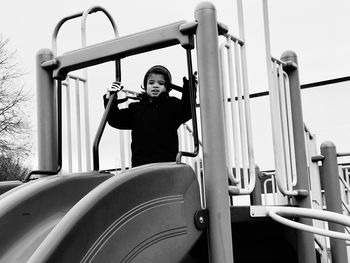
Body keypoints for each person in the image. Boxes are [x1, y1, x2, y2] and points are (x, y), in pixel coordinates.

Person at [103, 65, 197, 167]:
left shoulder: (172, 105)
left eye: (161, 83)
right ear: (145, 86)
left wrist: (190, 89)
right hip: (141, 165)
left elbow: (187, 110)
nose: (155, 86)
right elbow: (115, 119)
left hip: (166, 164)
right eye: (151, 83)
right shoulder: (136, 108)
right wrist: (110, 98)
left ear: (167, 87)